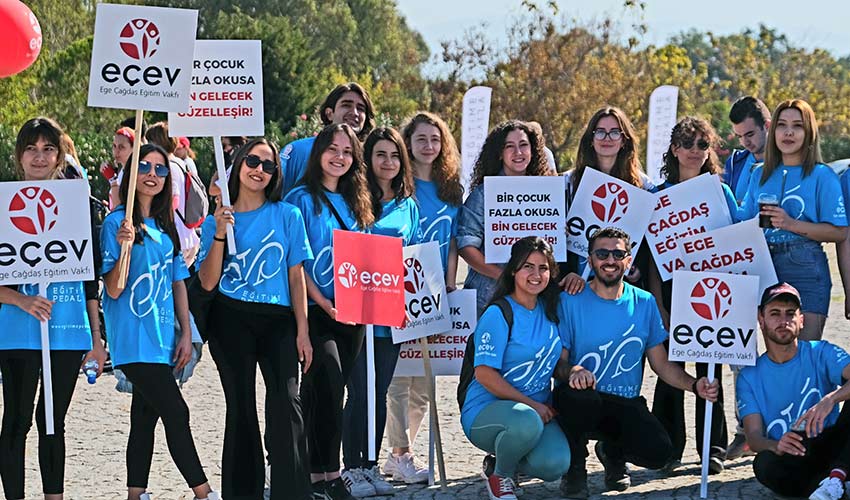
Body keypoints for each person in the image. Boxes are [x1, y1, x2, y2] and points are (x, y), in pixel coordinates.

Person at [553, 227, 719, 499]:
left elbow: (662, 364)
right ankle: (575, 467)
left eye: (618, 253)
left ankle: (612, 452)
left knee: (659, 453)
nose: (610, 259)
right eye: (602, 253)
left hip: (624, 402)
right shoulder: (569, 300)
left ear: (629, 260)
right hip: (581, 398)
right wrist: (574, 370)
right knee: (577, 399)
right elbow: (557, 365)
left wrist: (694, 385)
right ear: (591, 259)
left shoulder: (645, 302)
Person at [100, 143, 219, 500]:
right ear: (131, 174)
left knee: (144, 418)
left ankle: (136, 494)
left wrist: (185, 332)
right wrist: (123, 247)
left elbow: (178, 281)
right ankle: (205, 492)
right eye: (145, 167)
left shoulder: (167, 227)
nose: (153, 175)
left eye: (161, 169)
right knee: (177, 412)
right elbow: (114, 289)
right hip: (133, 340)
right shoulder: (114, 223)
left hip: (163, 337)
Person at [197, 138, 313, 499]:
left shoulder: (288, 215)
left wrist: (304, 332)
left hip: (279, 320)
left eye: (268, 165)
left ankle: (291, 492)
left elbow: (296, 278)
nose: (259, 170)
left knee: (286, 403)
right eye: (252, 161)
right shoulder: (217, 220)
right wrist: (218, 232)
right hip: (230, 318)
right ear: (237, 165)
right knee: (240, 406)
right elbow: (207, 281)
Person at [0, 117, 107, 500]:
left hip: (66, 329)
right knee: (15, 421)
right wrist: (22, 300)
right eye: (32, 148)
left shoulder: (78, 206)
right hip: (15, 328)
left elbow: (89, 279)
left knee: (52, 421)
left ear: (61, 156)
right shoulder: (2, 204)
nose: (40, 157)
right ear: (19, 155)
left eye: (48, 149)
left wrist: (96, 338)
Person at [284, 123, 375, 500]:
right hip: (317, 309)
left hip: (353, 312)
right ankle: (320, 471)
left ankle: (324, 474)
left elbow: (368, 257)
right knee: (326, 380)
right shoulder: (301, 198)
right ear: (318, 152)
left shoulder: (359, 201)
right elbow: (298, 261)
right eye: (332, 149)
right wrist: (322, 302)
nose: (339, 157)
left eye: (347, 151)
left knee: (332, 392)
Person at [648, 116, 740, 475]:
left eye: (702, 144)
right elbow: (652, 260)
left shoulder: (721, 191)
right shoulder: (658, 196)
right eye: (687, 144)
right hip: (671, 293)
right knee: (670, 371)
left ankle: (713, 447)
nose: (694, 151)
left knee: (711, 366)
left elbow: (738, 244)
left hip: (714, 291)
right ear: (673, 149)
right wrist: (659, 306)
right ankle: (667, 447)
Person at [382, 112, 464, 484]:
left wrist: (449, 283)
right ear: (408, 144)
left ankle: (400, 454)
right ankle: (401, 453)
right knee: (399, 377)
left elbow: (452, 244)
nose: (428, 146)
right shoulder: (401, 188)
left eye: (435, 139)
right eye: (420, 140)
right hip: (398, 288)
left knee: (425, 382)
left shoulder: (452, 191)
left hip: (434, 291)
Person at [341, 127, 421, 497]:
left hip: (392, 315)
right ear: (367, 159)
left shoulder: (409, 206)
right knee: (359, 391)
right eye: (380, 155)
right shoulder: (353, 200)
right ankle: (351, 467)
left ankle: (371, 466)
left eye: (394, 156)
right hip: (357, 311)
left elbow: (415, 259)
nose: (387, 163)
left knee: (380, 390)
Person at [461, 236, 571, 500]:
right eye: (528, 267)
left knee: (556, 464)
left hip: (535, 414)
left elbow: (555, 363)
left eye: (543, 268)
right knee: (525, 420)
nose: (536, 274)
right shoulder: (498, 313)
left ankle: (497, 464)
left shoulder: (552, 309)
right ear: (513, 271)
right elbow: (484, 375)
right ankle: (502, 478)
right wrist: (532, 405)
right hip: (486, 412)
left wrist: (573, 371)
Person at [741, 99, 848, 340]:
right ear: (773, 130)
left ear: (808, 132)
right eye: (782, 125)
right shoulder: (759, 173)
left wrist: (791, 224)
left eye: (798, 126)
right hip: (764, 267)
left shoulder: (823, 175)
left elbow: (840, 232)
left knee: (806, 354)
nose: (789, 132)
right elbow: (742, 222)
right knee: (778, 354)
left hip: (806, 267)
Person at [738, 282, 850, 500]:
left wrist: (831, 398)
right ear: (761, 320)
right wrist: (775, 445)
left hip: (834, 443)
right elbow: (754, 437)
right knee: (763, 464)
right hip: (794, 451)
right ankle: (833, 485)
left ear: (801, 320)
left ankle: (837, 477)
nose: (783, 321)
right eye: (775, 313)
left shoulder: (821, 351)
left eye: (790, 313)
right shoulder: (749, 376)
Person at [457, 120, 558, 316]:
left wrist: (561, 232)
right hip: (488, 297)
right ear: (499, 153)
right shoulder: (484, 193)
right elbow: (465, 245)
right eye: (509, 146)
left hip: (536, 298)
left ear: (533, 150)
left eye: (523, 145)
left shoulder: (548, 193)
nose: (518, 152)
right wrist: (503, 275)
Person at [565, 106, 655, 288]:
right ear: (591, 139)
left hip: (622, 287)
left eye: (615, 133)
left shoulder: (644, 186)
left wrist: (637, 270)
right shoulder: (569, 182)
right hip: (577, 286)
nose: (607, 138)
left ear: (624, 140)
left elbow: (649, 240)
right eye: (600, 132)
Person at [281, 83, 376, 195]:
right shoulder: (298, 150)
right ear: (329, 113)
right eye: (346, 105)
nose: (354, 113)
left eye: (360, 108)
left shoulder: (371, 157)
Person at [145, 121, 202, 269]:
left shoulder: (169, 166)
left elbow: (173, 201)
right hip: (185, 235)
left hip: (176, 238)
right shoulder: (180, 163)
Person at [725, 96, 771, 203]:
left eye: (750, 134)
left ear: (767, 126)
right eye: (739, 136)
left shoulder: (789, 163)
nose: (745, 142)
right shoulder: (734, 163)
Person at [102, 127, 135, 209]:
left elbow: (120, 208)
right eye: (114, 146)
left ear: (134, 148)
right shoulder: (123, 171)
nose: (116, 151)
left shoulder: (135, 173)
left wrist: (112, 180)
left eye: (121, 147)